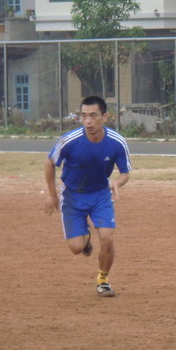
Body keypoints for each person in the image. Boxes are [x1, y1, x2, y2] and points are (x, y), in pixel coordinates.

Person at [45, 95, 132, 297]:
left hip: (101, 194)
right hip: (72, 196)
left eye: (93, 115)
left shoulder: (117, 142)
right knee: (77, 248)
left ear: (105, 117)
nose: (88, 121)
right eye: (83, 116)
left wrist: (117, 183)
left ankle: (103, 281)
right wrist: (52, 195)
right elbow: (49, 162)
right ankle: (85, 237)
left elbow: (125, 173)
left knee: (107, 239)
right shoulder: (70, 140)